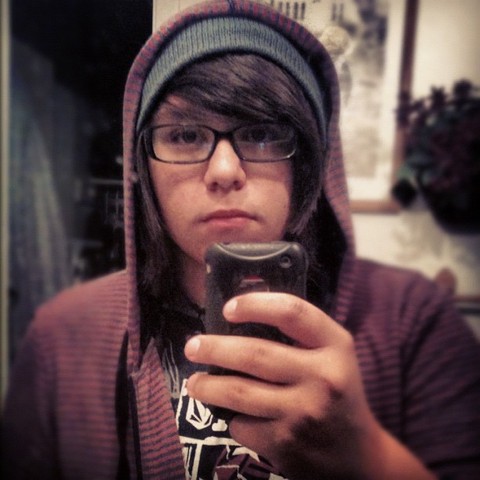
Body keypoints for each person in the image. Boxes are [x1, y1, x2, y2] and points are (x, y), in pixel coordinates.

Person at [2, 1, 480, 478]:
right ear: (142, 167)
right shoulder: (64, 336)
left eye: (264, 133)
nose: (224, 170)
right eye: (184, 135)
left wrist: (367, 459)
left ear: (308, 163)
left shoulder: (412, 320)